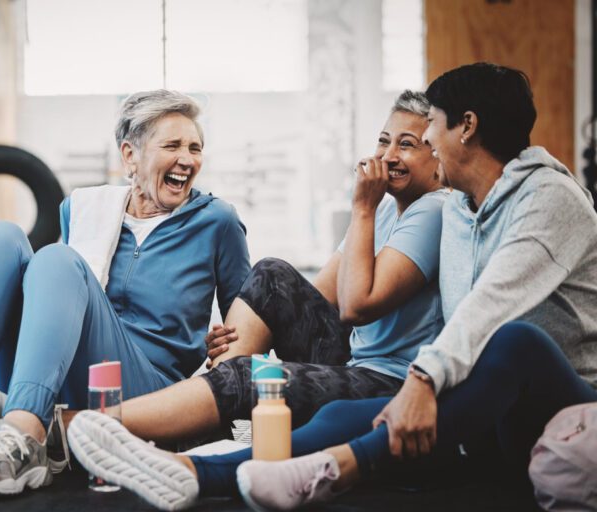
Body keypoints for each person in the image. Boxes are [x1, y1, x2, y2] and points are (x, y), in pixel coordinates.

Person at [70, 63, 597, 511]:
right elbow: (321, 298)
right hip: (479, 402)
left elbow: (484, 309)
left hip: (556, 402)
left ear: (466, 127)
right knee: (321, 389)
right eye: (388, 139)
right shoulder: (462, 204)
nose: (424, 143)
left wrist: (421, 381)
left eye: (427, 129)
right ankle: (192, 462)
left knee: (513, 340)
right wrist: (249, 334)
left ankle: (143, 431)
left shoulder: (547, 200)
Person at [0, 89, 251, 495]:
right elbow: (72, 305)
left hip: (148, 391)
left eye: (195, 147)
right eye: (173, 145)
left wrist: (225, 347)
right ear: (130, 155)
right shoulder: (82, 209)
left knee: (57, 259)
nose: (187, 159)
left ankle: (24, 435)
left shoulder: (217, 221)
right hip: (62, 372)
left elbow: (249, 325)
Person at [62, 90, 447, 450]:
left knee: (248, 379)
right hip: (351, 357)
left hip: (391, 378)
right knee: (272, 275)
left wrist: (361, 207)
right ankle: (213, 403)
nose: (389, 155)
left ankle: (82, 426)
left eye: (408, 145)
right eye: (384, 141)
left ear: (438, 159)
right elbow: (313, 299)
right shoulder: (382, 210)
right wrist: (237, 333)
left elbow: (356, 307)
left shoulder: (431, 208)